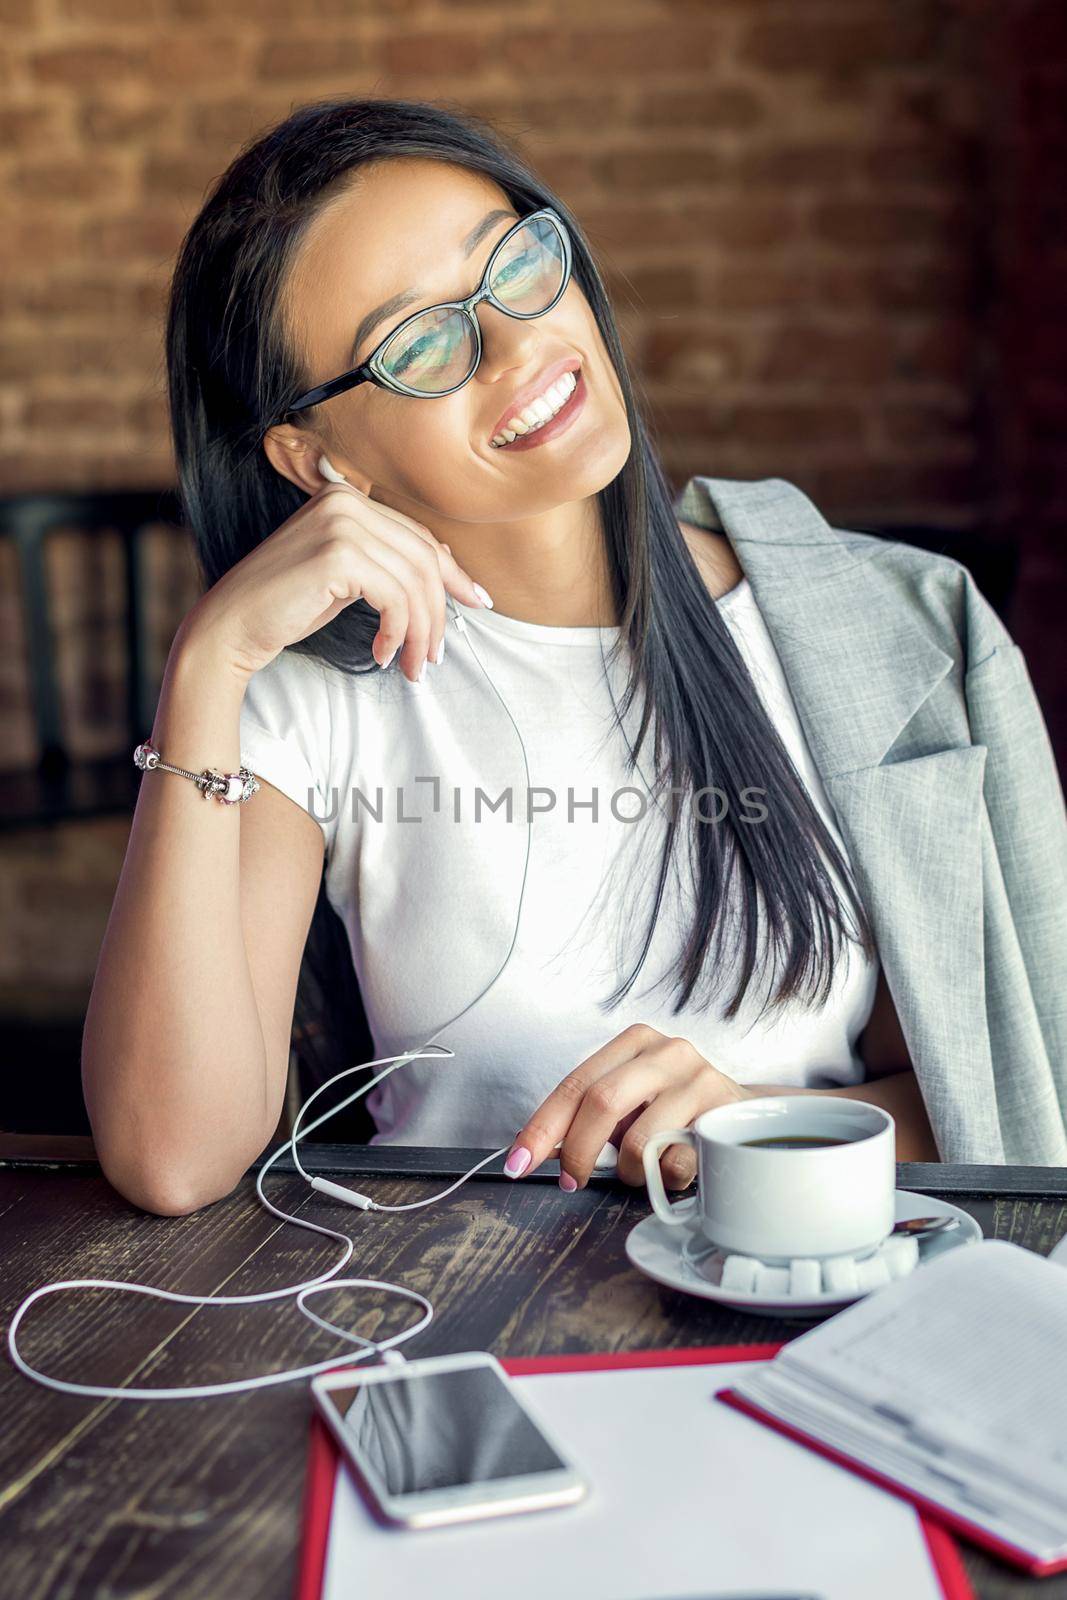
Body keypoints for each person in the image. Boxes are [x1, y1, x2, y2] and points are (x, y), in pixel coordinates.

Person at [81, 98, 1067, 1217]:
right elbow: (173, 1156)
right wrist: (208, 662)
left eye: (512, 265)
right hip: (462, 1319)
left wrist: (746, 1124)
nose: (515, 343)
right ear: (317, 461)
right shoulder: (309, 697)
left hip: (834, 1320)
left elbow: (1009, 1104)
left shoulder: (901, 635)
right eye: (416, 344)